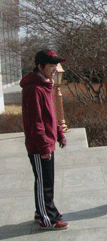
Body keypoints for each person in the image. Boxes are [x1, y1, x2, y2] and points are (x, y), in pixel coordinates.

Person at [21, 49, 68, 229]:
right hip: (39, 145)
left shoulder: (44, 84)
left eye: (56, 65)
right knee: (44, 182)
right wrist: (43, 147)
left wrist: (59, 134)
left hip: (46, 142)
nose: (55, 69)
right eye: (51, 65)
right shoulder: (34, 89)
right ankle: (47, 218)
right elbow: (36, 122)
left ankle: (44, 210)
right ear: (40, 66)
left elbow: (51, 115)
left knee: (46, 180)